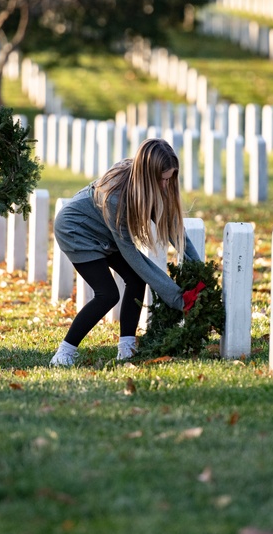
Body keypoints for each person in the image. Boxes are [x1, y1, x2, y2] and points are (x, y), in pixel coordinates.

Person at [50, 137, 206, 366]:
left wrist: (200, 271)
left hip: (104, 232)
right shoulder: (116, 196)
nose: (166, 185)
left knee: (135, 280)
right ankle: (64, 353)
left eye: (170, 179)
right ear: (149, 175)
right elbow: (133, 255)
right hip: (77, 230)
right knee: (107, 294)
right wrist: (176, 297)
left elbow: (175, 230)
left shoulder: (150, 186)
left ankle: (126, 347)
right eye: (163, 180)